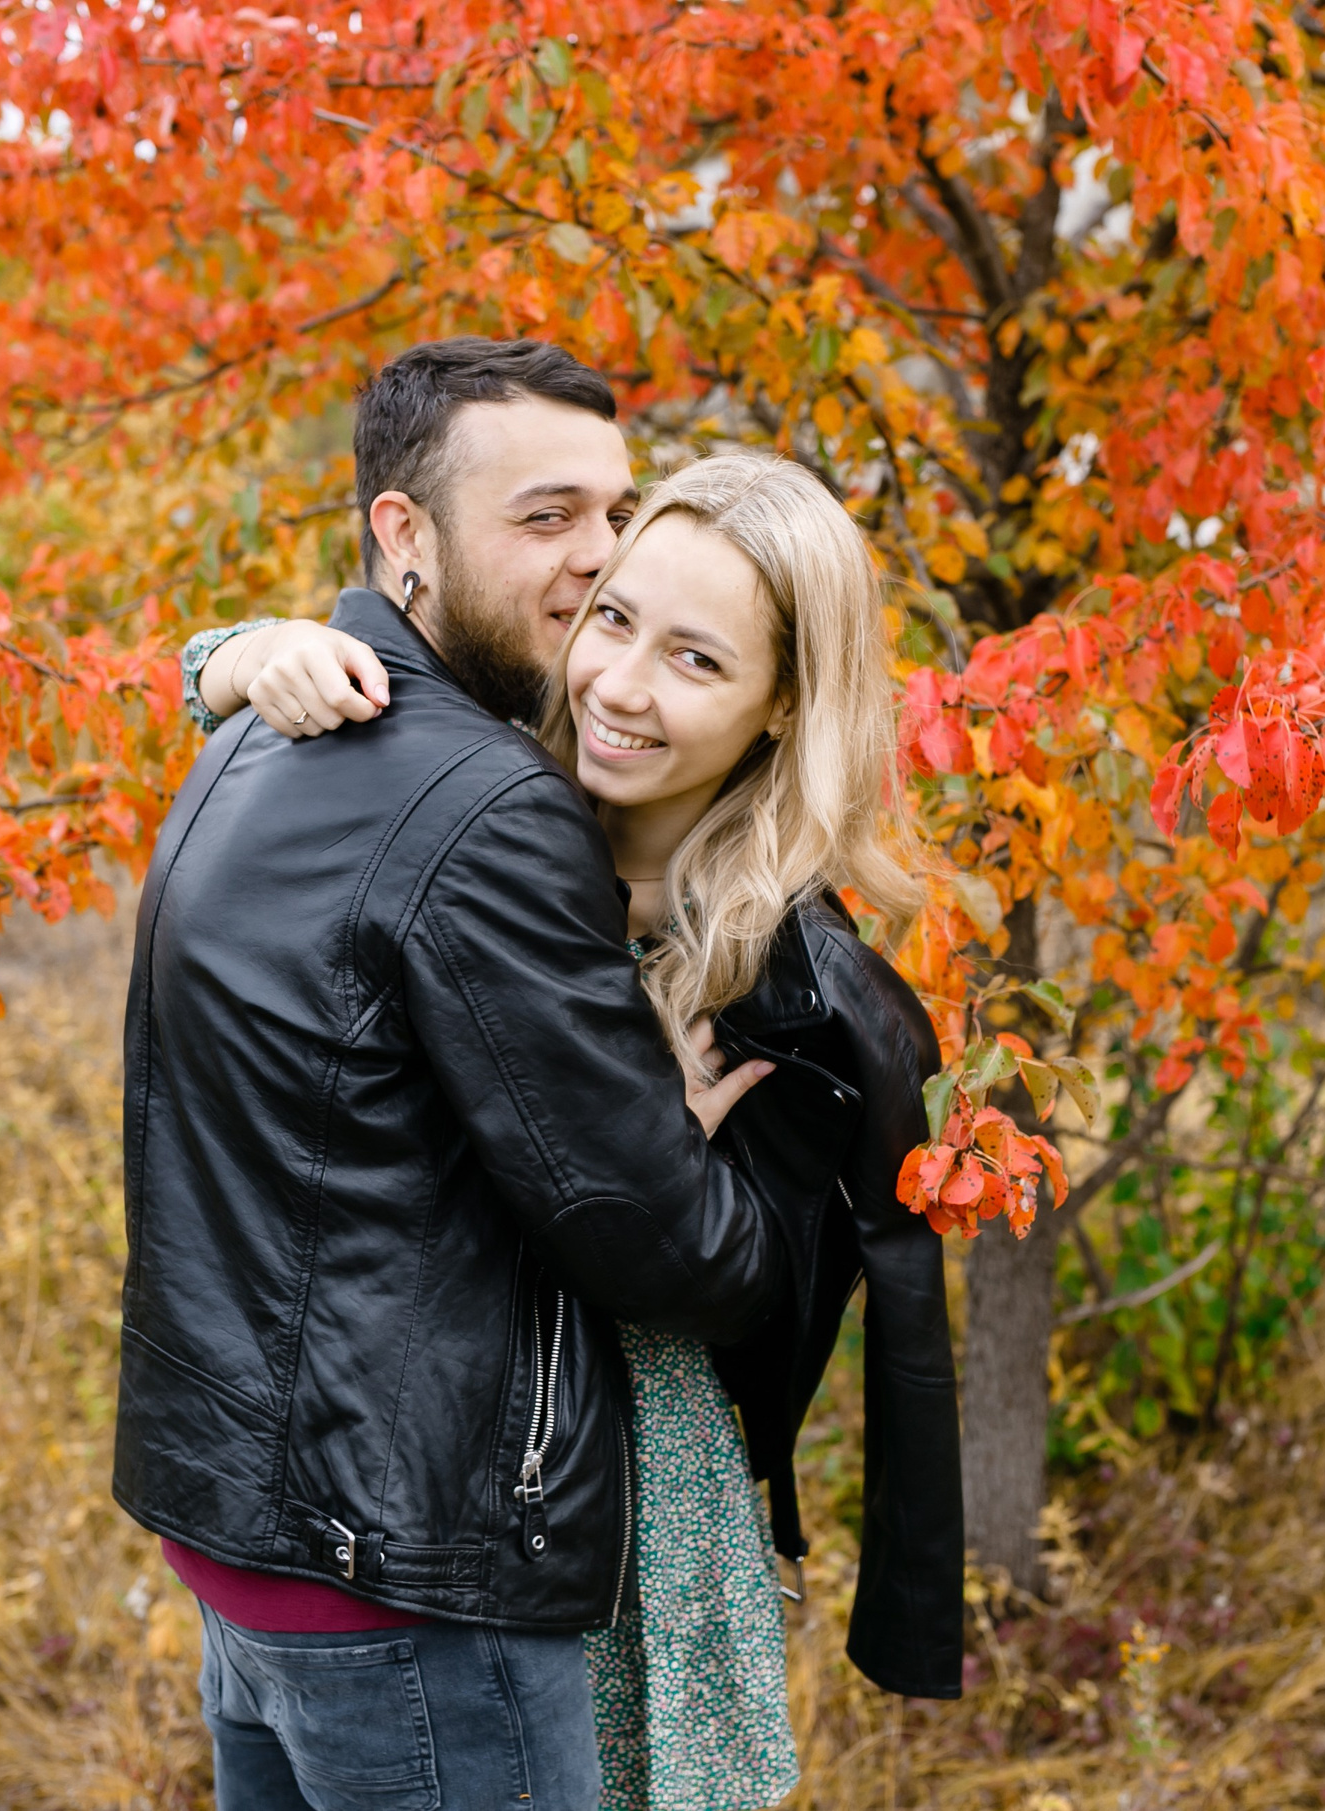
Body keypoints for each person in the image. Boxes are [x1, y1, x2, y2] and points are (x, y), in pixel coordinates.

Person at [191, 439, 968, 1810]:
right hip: (383, 1504)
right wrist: (244, 653)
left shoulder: (781, 982)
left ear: (786, 704)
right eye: (613, 619)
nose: (617, 684)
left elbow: (760, 1310)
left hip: (618, 1530)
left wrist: (641, 1149)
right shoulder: (483, 802)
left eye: (698, 660)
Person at [121, 337, 789, 1811]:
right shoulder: (488, 807)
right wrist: (706, 1173)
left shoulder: (252, 734)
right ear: (403, 535)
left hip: (250, 1530)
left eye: (614, 514)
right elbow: (668, 1249)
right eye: (544, 517)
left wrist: (228, 652)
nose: (595, 558)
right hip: (402, 1573)